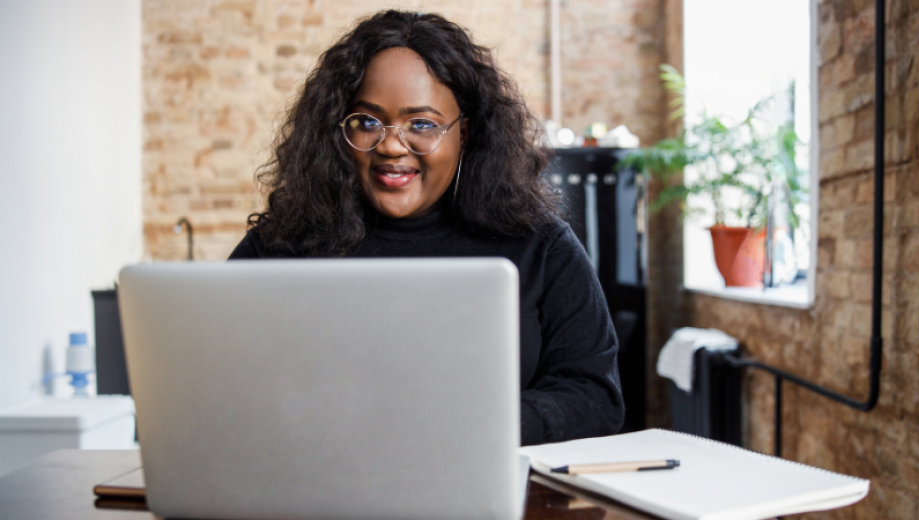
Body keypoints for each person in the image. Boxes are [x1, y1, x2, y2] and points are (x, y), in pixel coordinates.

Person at [229, 10, 624, 446]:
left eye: (422, 124)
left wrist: (474, 426)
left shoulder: (539, 245)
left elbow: (595, 396)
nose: (392, 145)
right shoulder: (280, 246)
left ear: (465, 134)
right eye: (367, 122)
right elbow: (214, 382)